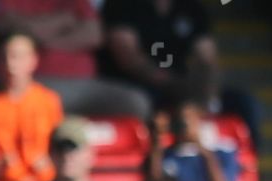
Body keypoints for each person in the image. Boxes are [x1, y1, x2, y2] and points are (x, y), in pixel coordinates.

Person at [100, 0, 259, 147]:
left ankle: (251, 166)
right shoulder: (122, 4)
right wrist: (168, 81)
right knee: (145, 103)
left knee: (243, 102)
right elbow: (128, 56)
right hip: (134, 84)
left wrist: (207, 99)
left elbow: (207, 58)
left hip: (179, 85)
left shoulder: (190, 7)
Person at [0, 0, 152, 119]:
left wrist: (42, 38)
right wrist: (65, 20)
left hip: (88, 84)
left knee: (137, 102)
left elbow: (94, 34)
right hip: (38, 83)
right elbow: (14, 31)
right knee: (40, 107)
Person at [0, 33, 65, 181]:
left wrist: (48, 165)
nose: (10, 64)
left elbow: (61, 146)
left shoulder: (48, 101)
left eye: (18, 57)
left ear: (33, 60)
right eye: (5, 57)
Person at [147, 99, 238, 181]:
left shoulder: (221, 152)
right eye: (180, 119)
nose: (185, 124)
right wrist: (156, 141)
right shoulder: (166, 156)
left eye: (190, 118)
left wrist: (203, 151)